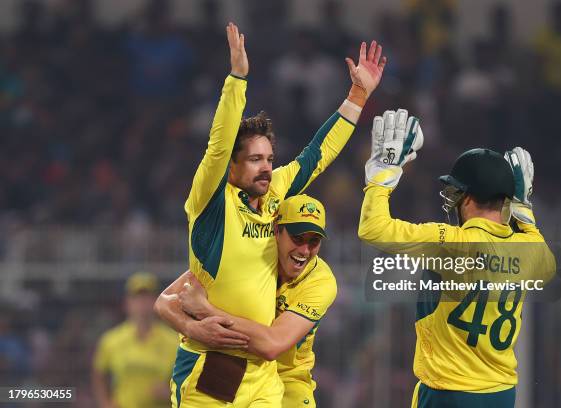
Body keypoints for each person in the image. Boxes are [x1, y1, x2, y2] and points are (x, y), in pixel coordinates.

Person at [164, 22, 385, 407]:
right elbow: (219, 145)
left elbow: (316, 155)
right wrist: (237, 79)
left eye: (269, 159)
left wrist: (357, 95)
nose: (266, 168)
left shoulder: (273, 198)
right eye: (254, 160)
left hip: (263, 377)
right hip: (208, 368)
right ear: (232, 169)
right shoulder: (211, 205)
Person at [358, 109, 556, 407]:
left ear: (467, 197)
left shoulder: (451, 242)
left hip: (448, 391)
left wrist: (383, 173)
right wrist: (524, 211)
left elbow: (373, 228)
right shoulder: (529, 251)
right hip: (501, 393)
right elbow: (548, 267)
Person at [157, 194, 335, 407]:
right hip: (230, 363)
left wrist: (206, 310)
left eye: (313, 242)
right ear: (277, 231)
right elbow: (165, 302)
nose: (304, 251)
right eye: (297, 238)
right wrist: (192, 328)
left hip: (288, 377)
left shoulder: (321, 281)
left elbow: (272, 345)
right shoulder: (248, 250)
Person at [91, 272, 178, 408]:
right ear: (127, 303)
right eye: (137, 298)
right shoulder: (111, 340)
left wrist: (172, 393)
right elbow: (99, 374)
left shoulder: (174, 342)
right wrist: (105, 403)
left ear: (157, 301)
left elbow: (188, 382)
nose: (142, 303)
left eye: (147, 297)